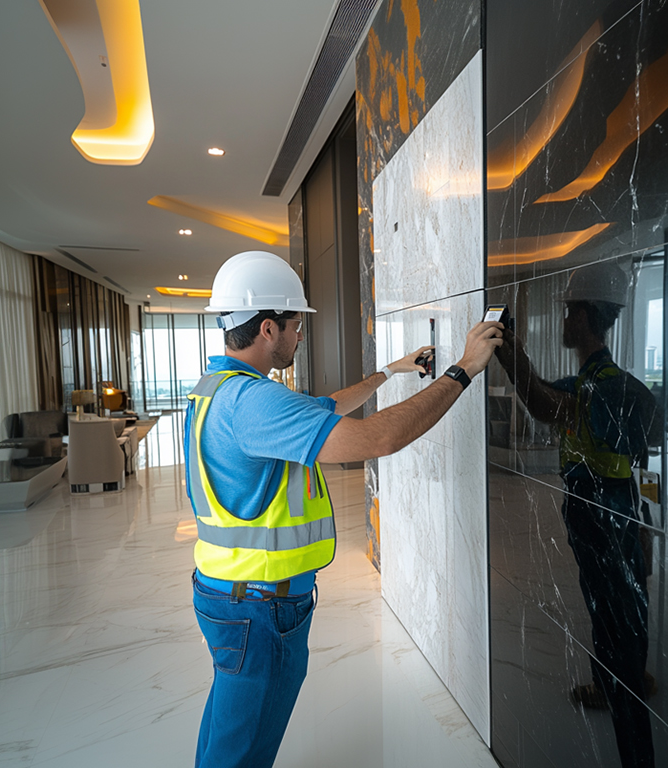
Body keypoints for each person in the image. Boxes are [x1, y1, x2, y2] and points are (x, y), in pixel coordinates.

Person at [185, 250, 503, 768]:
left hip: (229, 593)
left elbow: (324, 407)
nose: (299, 335)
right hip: (258, 606)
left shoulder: (218, 390)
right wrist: (464, 368)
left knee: (228, 730)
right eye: (295, 325)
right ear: (269, 328)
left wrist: (391, 371)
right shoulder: (253, 403)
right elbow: (379, 438)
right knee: (239, 754)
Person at [495, 259, 660, 768]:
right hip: (611, 509)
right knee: (610, 601)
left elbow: (545, 403)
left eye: (570, 312)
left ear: (587, 318)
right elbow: (644, 462)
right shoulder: (603, 382)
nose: (564, 321)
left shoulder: (606, 386)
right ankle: (614, 678)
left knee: (617, 610)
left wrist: (507, 351)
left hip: (606, 511)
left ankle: (627, 696)